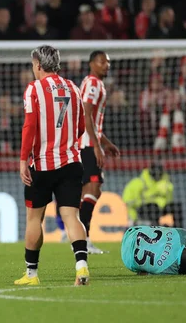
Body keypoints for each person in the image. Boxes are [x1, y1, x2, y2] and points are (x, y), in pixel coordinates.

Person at [17, 45, 89, 286]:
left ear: (38, 64)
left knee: (34, 219)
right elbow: (81, 127)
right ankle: (81, 268)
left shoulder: (34, 89)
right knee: (71, 216)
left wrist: (22, 160)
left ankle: (31, 274)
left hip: (43, 165)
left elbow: (29, 126)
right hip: (71, 162)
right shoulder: (74, 88)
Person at [78, 51, 120, 254]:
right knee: (93, 189)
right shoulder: (93, 84)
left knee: (89, 191)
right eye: (102, 61)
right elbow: (85, 115)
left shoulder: (93, 83)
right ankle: (82, 240)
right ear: (91, 63)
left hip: (86, 142)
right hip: (85, 145)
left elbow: (92, 122)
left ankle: (81, 237)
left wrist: (106, 142)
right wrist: (96, 146)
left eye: (108, 62)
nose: (107, 65)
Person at [121, 225, 186, 275]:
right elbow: (143, 275)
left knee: (165, 231)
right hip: (128, 260)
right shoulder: (170, 269)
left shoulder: (182, 234)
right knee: (149, 271)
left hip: (131, 233)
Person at [122, 161, 183, 227]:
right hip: (144, 209)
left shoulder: (166, 183)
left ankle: (177, 231)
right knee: (153, 206)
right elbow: (128, 201)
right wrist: (134, 218)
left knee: (176, 207)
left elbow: (169, 199)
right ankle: (154, 228)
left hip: (161, 208)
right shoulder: (138, 182)